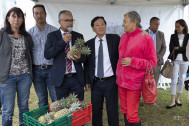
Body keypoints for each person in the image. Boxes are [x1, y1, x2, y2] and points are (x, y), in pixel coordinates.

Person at [116, 11, 157, 126]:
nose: (122, 24)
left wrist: (132, 62)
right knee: (124, 111)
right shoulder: (123, 37)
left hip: (134, 83)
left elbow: (152, 62)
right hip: (121, 81)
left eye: (125, 21)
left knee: (132, 115)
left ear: (134, 22)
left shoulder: (146, 38)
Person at [0, 7, 33, 126]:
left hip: (24, 77)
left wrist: (29, 74)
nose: (16, 19)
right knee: (8, 109)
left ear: (23, 19)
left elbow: (29, 55)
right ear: (8, 18)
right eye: (13, 16)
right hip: (7, 78)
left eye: (19, 16)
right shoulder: (2, 34)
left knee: (24, 107)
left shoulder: (27, 37)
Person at [84, 16, 120, 126]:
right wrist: (87, 81)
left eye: (102, 24)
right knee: (96, 112)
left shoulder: (115, 39)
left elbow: (128, 43)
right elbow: (86, 64)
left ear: (105, 26)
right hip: (95, 83)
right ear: (93, 28)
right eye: (97, 25)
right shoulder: (88, 44)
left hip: (111, 82)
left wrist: (141, 33)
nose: (100, 27)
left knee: (112, 111)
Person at [44, 10, 85, 101]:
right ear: (59, 22)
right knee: (63, 108)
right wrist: (62, 42)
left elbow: (85, 57)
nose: (70, 23)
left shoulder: (79, 36)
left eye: (71, 20)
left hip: (76, 78)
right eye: (66, 20)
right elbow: (47, 54)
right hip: (61, 79)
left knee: (78, 107)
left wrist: (79, 58)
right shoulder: (52, 36)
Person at [28, 4, 57, 107]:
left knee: (56, 99)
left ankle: (58, 122)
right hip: (37, 71)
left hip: (52, 69)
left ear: (46, 14)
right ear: (33, 15)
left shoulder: (54, 31)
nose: (39, 15)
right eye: (36, 13)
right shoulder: (29, 33)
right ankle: (44, 122)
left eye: (41, 13)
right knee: (42, 100)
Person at [166, 19, 189, 109]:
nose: (177, 28)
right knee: (174, 80)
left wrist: (177, 48)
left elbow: (186, 50)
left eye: (178, 26)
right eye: (176, 26)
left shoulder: (188, 36)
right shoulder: (173, 36)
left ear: (183, 26)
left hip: (185, 61)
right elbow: (171, 48)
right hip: (175, 61)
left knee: (182, 80)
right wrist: (180, 48)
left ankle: (178, 99)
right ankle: (172, 101)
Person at [146, 17, 166, 107]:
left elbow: (164, 47)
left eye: (158, 24)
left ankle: (152, 101)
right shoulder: (144, 33)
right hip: (145, 62)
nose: (157, 26)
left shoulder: (161, 34)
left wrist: (158, 57)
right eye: (155, 24)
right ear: (150, 23)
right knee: (143, 81)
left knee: (155, 81)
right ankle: (141, 98)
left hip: (156, 62)